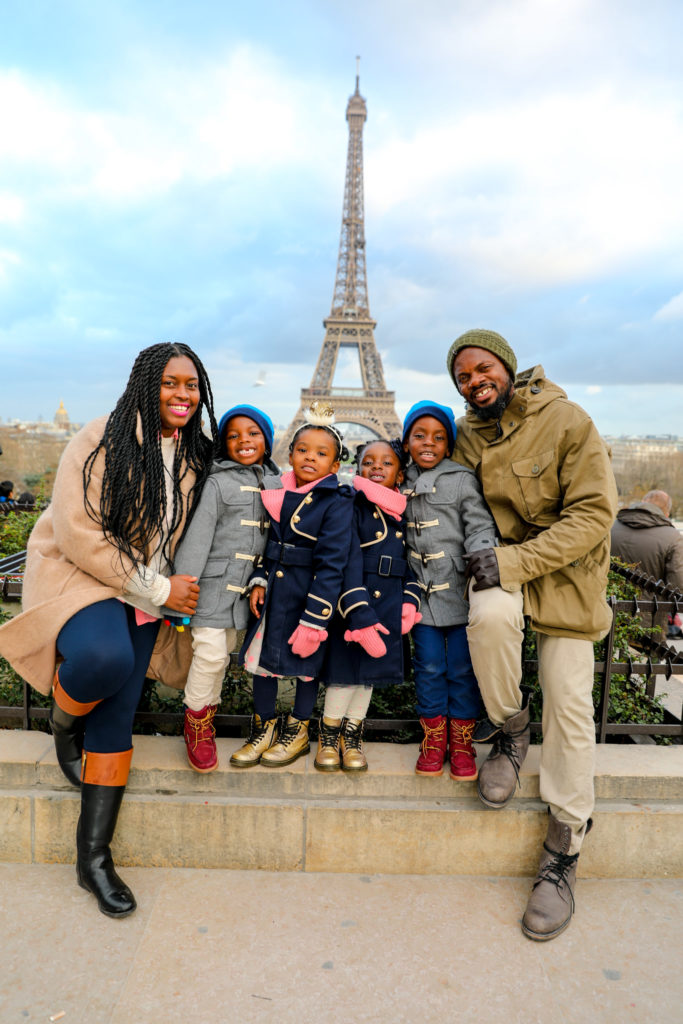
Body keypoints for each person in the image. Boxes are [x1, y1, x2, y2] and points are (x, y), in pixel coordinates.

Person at [0, 342, 218, 918]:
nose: (183, 394)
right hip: (81, 578)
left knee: (119, 711)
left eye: (192, 385)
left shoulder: (196, 455)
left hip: (146, 591)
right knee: (105, 659)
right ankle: (64, 718)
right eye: (171, 382)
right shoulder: (98, 437)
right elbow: (75, 532)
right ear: (146, 383)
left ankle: (92, 859)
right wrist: (158, 590)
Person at [447, 328, 617, 941]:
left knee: (570, 701)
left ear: (509, 368)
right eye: (462, 376)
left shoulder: (568, 420)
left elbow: (597, 514)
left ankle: (565, 843)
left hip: (563, 579)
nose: (473, 380)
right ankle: (512, 729)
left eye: (482, 368)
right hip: (503, 568)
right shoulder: (466, 433)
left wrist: (513, 564)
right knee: (488, 619)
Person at [233, 402, 354, 768]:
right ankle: (264, 727)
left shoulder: (337, 500)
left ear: (335, 466)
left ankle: (297, 731)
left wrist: (316, 618)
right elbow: (268, 543)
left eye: (321, 454)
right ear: (289, 454)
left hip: (308, 597)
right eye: (302, 450)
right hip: (274, 592)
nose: (309, 458)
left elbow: (333, 562)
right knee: (263, 663)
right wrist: (258, 580)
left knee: (306, 665)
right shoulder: (278, 491)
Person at [169, 404, 281, 772]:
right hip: (210, 588)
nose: (244, 441)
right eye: (233, 436)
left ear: (266, 438)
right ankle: (197, 724)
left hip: (248, 594)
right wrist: (179, 597)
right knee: (213, 655)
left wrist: (263, 576)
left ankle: (205, 716)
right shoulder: (217, 482)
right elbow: (197, 540)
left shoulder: (278, 484)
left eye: (252, 433)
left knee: (221, 657)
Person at [401, 401, 497, 780]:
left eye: (439, 437)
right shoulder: (398, 478)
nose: (429, 443)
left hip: (457, 590)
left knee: (461, 670)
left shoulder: (461, 478)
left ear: (449, 444)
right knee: (427, 669)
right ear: (406, 440)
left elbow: (477, 524)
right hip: (419, 596)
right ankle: (434, 740)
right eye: (420, 435)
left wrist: (483, 552)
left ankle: (461, 744)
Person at [317, 438, 421, 772]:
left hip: (389, 603)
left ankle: (353, 734)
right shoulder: (350, 503)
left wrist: (409, 599)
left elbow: (413, 562)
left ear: (400, 475)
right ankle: (329, 735)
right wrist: (356, 609)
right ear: (357, 468)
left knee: (368, 678)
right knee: (345, 674)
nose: (376, 466)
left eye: (386, 462)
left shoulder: (404, 512)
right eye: (368, 461)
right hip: (356, 605)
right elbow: (344, 559)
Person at [611, 490, 683, 634]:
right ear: (666, 513)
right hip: (647, 623)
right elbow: (677, 587)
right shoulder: (672, 538)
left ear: (642, 503)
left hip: (608, 614)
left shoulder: (611, 526)